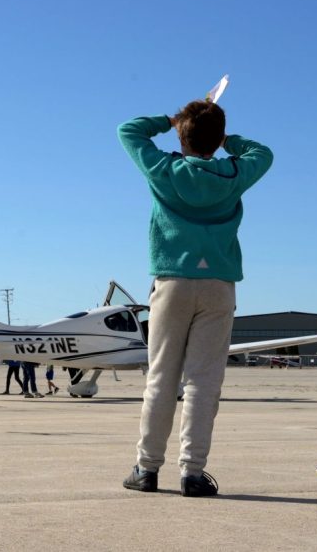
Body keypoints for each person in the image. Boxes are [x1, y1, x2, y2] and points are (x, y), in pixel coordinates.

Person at [118, 96, 273, 498]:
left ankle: (146, 468)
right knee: (203, 382)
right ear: (218, 138)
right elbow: (263, 153)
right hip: (219, 283)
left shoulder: (165, 169)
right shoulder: (234, 172)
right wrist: (227, 140)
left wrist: (169, 121)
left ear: (183, 138)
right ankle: (193, 472)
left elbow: (129, 131)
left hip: (171, 280)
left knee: (161, 379)